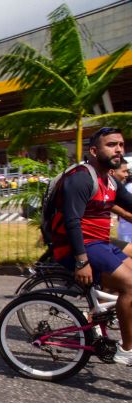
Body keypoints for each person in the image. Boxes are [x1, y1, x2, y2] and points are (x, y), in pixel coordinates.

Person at [50, 127, 132, 365]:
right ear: (94, 151)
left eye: (121, 144)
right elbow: (72, 221)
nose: (118, 149)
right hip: (78, 247)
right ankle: (127, 350)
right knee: (130, 285)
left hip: (99, 244)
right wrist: (81, 261)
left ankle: (105, 314)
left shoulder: (111, 182)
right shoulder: (82, 178)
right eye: (111, 144)